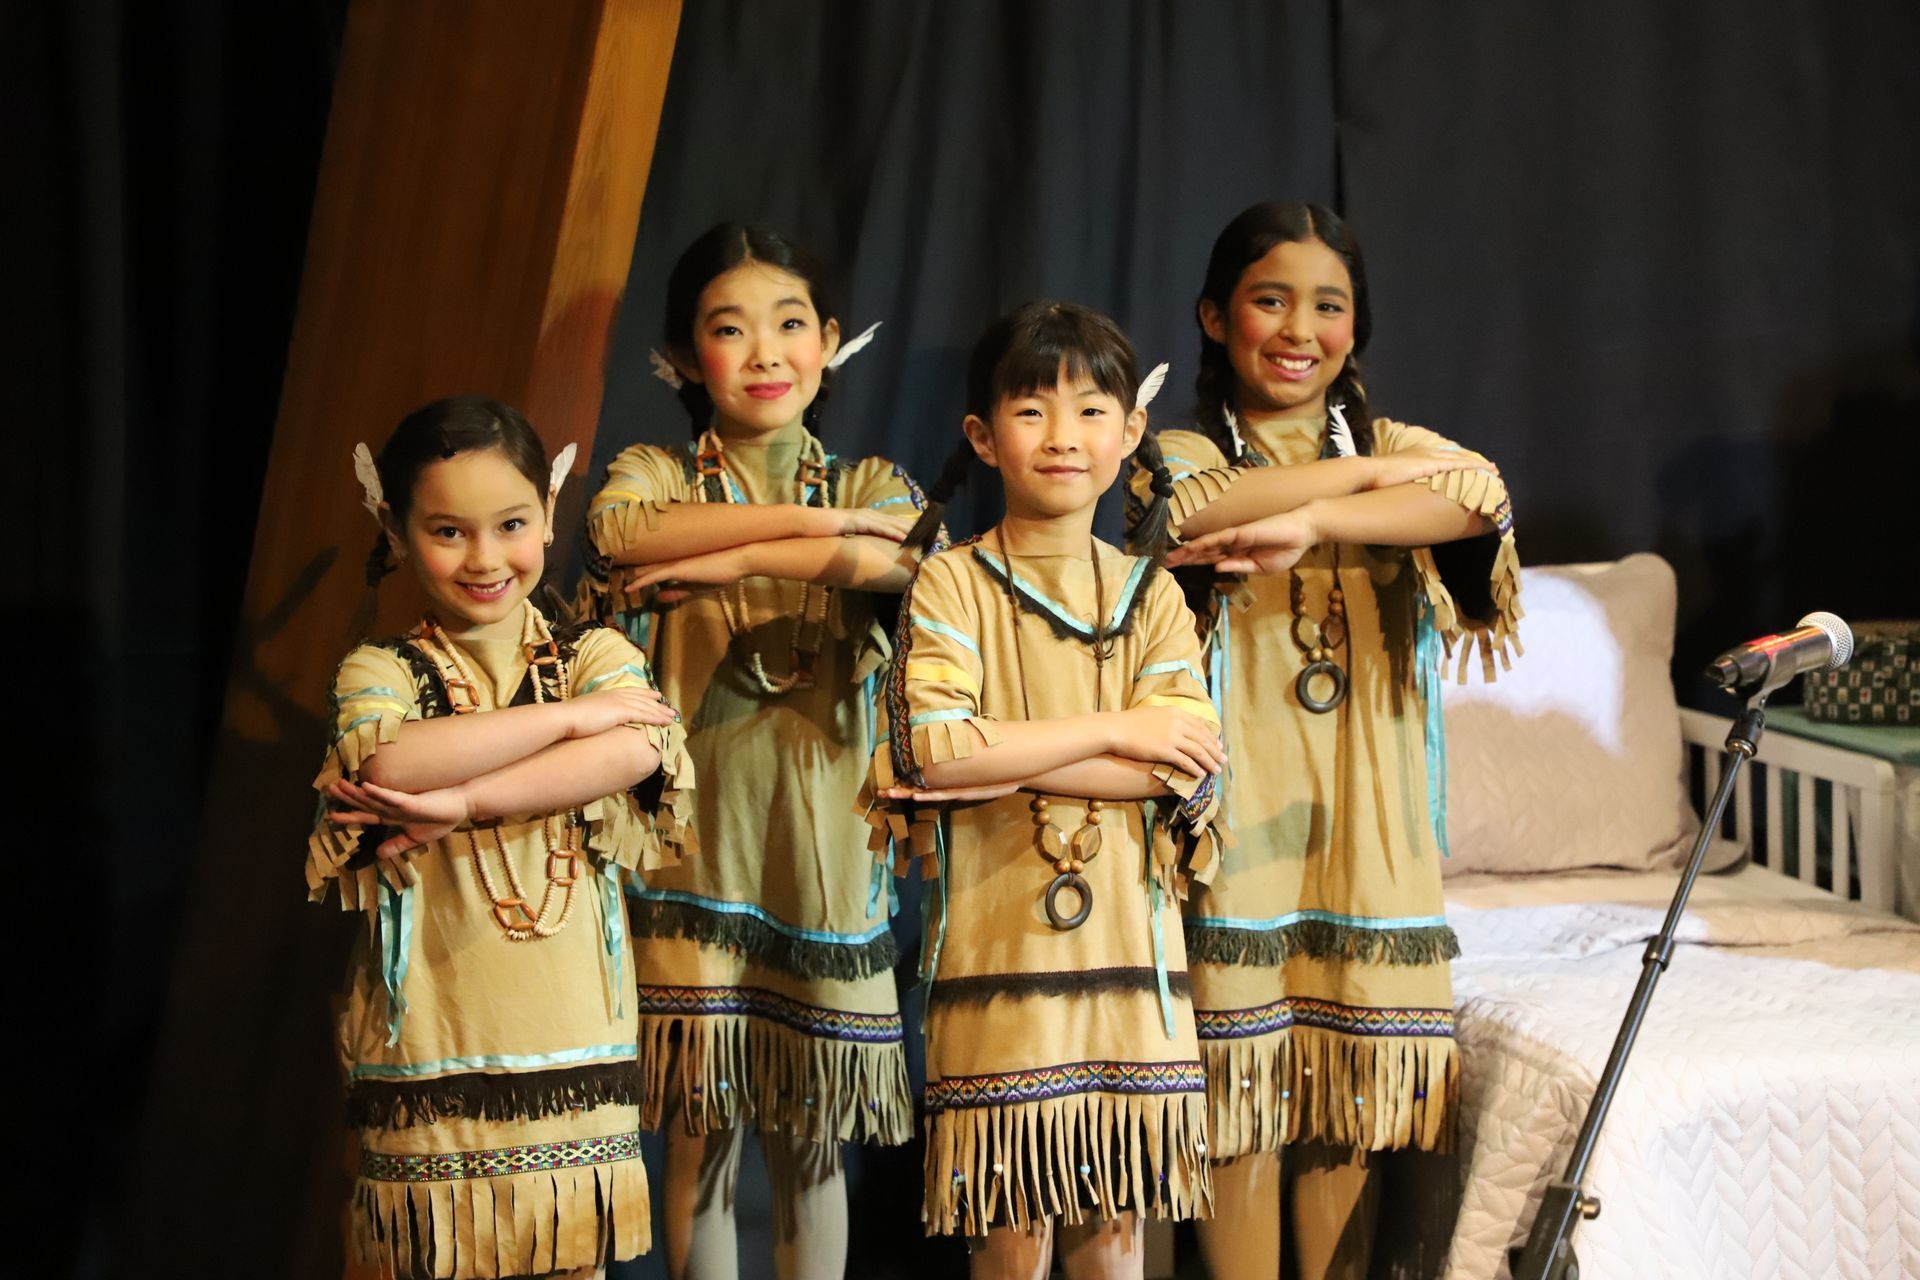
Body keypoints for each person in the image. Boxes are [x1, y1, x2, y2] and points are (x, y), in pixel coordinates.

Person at [1130, 201, 1521, 1280]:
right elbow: (1196, 509)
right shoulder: (1178, 449)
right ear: (1215, 317)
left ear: (1358, 326)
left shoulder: (1396, 449)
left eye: (1328, 305)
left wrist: (1316, 519)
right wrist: (1365, 483)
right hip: (1242, 816)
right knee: (1245, 1095)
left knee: (1346, 1088)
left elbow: (1478, 493)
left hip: (1367, 819)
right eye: (1271, 300)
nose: (1300, 329)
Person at [578, 223, 925, 1279]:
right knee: (699, 1140)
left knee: (811, 1147)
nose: (766, 352)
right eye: (730, 329)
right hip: (697, 856)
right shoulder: (654, 471)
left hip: (822, 855)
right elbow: (619, 534)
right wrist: (818, 536)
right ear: (685, 357)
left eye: (789, 324)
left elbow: (906, 558)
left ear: (829, 340)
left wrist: (733, 554)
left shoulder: (871, 478)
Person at [869, 300, 1229, 1279]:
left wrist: (1007, 750)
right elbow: (934, 750)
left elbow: (1182, 763)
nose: (1063, 435)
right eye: (1032, 410)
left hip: (1132, 972)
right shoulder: (953, 583)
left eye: (1090, 410)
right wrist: (1113, 727)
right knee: (1010, 1234)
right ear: (983, 435)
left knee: (1114, 1237)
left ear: (1131, 430)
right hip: (1000, 963)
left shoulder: (1152, 593)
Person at [310, 395, 694, 1278]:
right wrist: (567, 722)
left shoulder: (593, 656)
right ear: (395, 529)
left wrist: (466, 799)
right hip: (437, 1040)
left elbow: (638, 748)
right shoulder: (382, 669)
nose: (485, 558)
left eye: (511, 525)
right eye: (449, 531)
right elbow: (390, 759)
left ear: (550, 512)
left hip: (573, 1041)